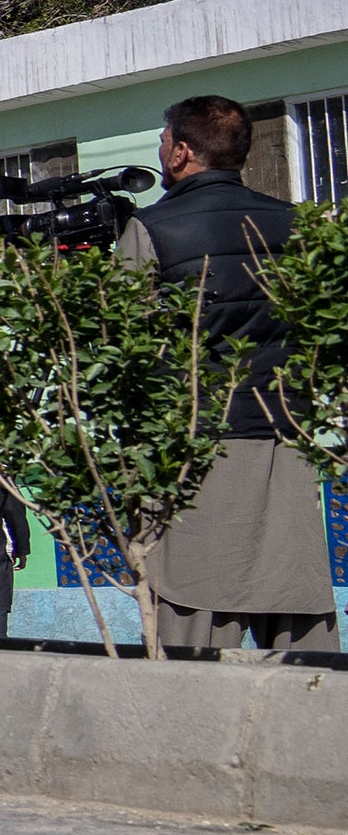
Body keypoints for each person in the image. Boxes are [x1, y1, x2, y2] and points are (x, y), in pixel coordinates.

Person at [120, 96, 331, 656]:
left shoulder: (150, 230)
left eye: (164, 140)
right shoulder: (298, 226)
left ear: (183, 152)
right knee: (298, 616)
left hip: (197, 452)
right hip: (287, 442)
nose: (160, 150)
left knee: (192, 618)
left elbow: (125, 351)